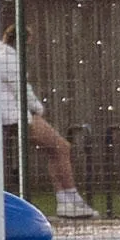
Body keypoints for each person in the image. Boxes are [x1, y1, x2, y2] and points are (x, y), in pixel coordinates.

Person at [24, 85, 96, 219]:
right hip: (18, 114)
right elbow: (19, 86)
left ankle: (65, 200)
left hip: (10, 112)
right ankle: (71, 198)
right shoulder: (10, 64)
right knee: (61, 147)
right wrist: (36, 107)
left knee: (55, 150)